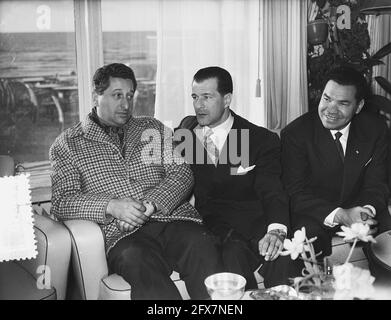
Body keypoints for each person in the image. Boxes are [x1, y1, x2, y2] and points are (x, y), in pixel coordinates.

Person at [49, 63, 221, 300]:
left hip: (174, 220)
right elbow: (62, 201)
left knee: (202, 244)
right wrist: (112, 206)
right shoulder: (68, 144)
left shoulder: (152, 128)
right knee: (139, 261)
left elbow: (182, 173)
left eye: (130, 96)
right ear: (96, 96)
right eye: (117, 95)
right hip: (122, 236)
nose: (126, 104)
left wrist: (149, 205)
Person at [175, 66, 293, 289]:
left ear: (227, 99)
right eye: (194, 97)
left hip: (253, 224)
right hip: (211, 228)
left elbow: (272, 189)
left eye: (207, 97)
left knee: (282, 257)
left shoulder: (260, 139)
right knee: (231, 254)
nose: (198, 105)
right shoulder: (187, 132)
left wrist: (276, 230)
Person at [281, 66, 391, 258]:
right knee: (306, 246)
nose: (330, 109)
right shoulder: (296, 134)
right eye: (327, 98)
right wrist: (341, 215)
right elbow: (295, 193)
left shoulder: (376, 130)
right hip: (315, 212)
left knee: (387, 243)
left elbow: (378, 183)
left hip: (361, 206)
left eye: (343, 103)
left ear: (358, 106)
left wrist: (366, 212)